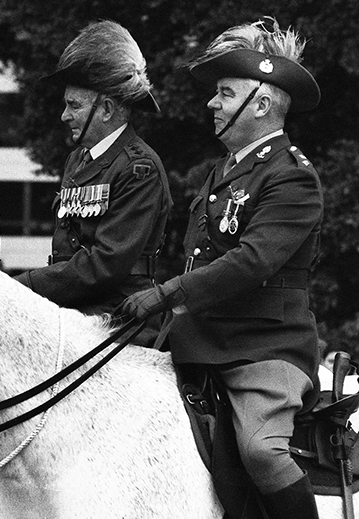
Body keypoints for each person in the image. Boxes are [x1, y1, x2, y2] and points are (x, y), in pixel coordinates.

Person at [119, 18, 323, 519]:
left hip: (263, 345)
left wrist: (167, 293)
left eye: (225, 94)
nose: (213, 104)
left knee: (261, 450)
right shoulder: (224, 170)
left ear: (260, 104)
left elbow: (251, 262)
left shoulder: (292, 177)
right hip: (199, 337)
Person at [13, 20, 171, 346]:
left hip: (119, 321)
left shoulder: (139, 168)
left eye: (74, 105)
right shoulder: (79, 159)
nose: (64, 115)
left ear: (107, 109)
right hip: (74, 310)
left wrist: (21, 285)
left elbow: (104, 267)